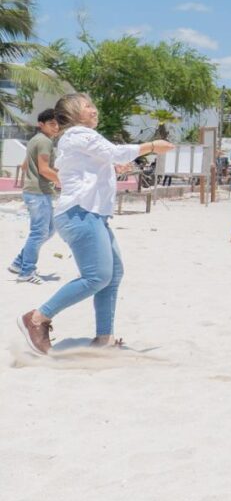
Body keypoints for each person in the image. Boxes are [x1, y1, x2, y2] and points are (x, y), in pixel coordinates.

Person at [17, 93, 174, 355]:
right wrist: (152, 146)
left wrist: (113, 168)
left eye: (93, 104)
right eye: (87, 105)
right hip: (80, 214)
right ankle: (37, 318)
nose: (94, 109)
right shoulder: (78, 134)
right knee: (97, 277)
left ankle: (104, 338)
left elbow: (89, 169)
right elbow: (114, 152)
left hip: (92, 215)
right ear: (72, 114)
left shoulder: (78, 140)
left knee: (112, 275)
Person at [8, 109, 61, 283]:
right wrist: (64, 181)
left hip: (36, 191)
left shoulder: (35, 140)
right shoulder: (45, 142)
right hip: (38, 193)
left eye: (58, 123)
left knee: (49, 230)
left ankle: (18, 263)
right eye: (52, 123)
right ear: (41, 124)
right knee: (39, 233)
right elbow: (44, 169)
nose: (56, 127)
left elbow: (25, 166)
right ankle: (27, 272)